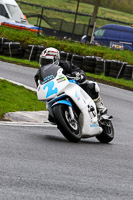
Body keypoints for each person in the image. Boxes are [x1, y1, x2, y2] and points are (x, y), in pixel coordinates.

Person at [34, 47, 107, 120]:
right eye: (43, 61)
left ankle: (101, 110)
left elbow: (80, 71)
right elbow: (40, 88)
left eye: (47, 61)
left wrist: (78, 75)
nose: (45, 64)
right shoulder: (39, 74)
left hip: (71, 87)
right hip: (55, 94)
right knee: (51, 119)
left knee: (92, 86)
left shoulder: (65, 64)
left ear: (56, 60)